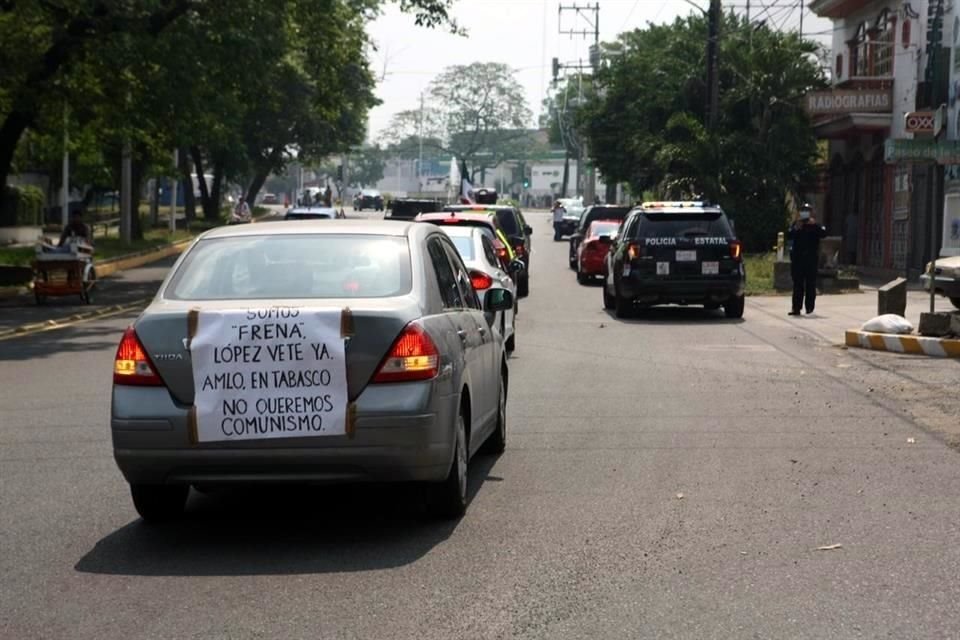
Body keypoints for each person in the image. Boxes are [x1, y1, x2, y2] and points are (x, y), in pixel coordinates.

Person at [787, 204, 827, 316]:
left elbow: (824, 234)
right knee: (797, 285)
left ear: (812, 213)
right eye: (803, 211)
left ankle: (809, 308)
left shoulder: (815, 225)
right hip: (798, 260)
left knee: (811, 284)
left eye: (807, 211)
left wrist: (814, 225)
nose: (805, 213)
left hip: (811, 260)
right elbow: (789, 235)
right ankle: (796, 308)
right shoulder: (796, 224)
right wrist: (796, 227)